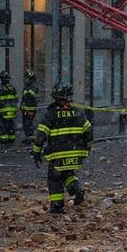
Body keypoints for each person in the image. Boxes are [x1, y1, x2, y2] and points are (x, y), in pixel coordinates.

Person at [31, 82, 93, 214]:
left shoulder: (51, 114)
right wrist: (87, 148)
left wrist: (36, 152)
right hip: (76, 152)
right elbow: (88, 131)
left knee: (54, 178)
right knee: (68, 173)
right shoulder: (78, 113)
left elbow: (40, 135)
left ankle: (57, 206)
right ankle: (76, 189)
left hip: (57, 154)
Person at [0, 71, 19, 143]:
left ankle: (4, 139)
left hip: (3, 113)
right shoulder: (12, 88)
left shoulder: (0, 89)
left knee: (2, 126)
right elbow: (16, 98)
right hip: (12, 112)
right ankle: (12, 138)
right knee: (10, 125)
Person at [20, 69, 39, 143]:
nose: (25, 80)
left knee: (28, 123)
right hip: (26, 108)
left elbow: (30, 94)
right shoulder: (28, 85)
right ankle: (28, 137)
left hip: (30, 109)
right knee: (26, 123)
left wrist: (25, 92)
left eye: (27, 78)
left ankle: (30, 138)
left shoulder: (33, 85)